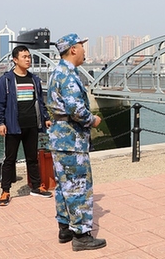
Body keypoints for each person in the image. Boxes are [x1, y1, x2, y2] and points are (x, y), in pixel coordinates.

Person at [47, 33, 107, 251]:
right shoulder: (69, 75)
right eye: (81, 46)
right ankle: (81, 236)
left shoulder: (57, 72)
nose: (84, 50)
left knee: (64, 186)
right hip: (72, 140)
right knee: (78, 187)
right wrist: (94, 120)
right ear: (73, 49)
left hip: (60, 138)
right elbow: (76, 110)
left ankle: (65, 228)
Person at [0, 45, 53, 206]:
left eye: (29, 57)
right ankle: (5, 190)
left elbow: (40, 101)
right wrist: (0, 123)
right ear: (15, 60)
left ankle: (36, 186)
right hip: (13, 126)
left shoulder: (34, 79)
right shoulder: (6, 80)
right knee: (9, 160)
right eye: (24, 57)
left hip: (32, 124)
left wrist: (45, 117)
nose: (28, 60)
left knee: (32, 158)